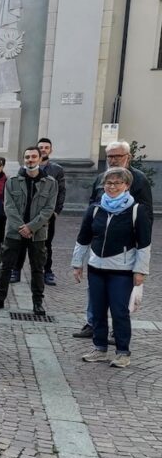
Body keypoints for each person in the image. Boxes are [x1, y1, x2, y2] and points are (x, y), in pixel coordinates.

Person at [74, 140, 154, 339]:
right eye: (110, 156)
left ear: (128, 156)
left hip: (125, 249)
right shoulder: (101, 177)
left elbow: (146, 215)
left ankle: (115, 332)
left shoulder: (139, 179)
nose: (113, 159)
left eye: (118, 155)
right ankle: (92, 323)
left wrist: (139, 248)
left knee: (119, 297)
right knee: (95, 290)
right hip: (100, 246)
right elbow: (93, 205)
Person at [0, 146, 58, 315]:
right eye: (27, 157)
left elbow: (49, 209)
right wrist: (22, 227)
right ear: (23, 159)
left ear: (40, 159)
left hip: (37, 233)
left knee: (37, 268)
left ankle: (38, 302)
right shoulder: (12, 181)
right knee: (6, 266)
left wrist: (31, 227)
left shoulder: (50, 183)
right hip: (14, 232)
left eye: (34, 157)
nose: (30, 160)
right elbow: (9, 207)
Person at [37, 138, 66, 286]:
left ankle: (47, 271)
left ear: (50, 150)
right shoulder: (28, 167)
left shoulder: (56, 169)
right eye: (41, 147)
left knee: (46, 244)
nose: (43, 149)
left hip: (49, 213)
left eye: (46, 147)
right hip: (30, 213)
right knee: (22, 243)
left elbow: (61, 191)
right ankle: (16, 270)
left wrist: (56, 211)